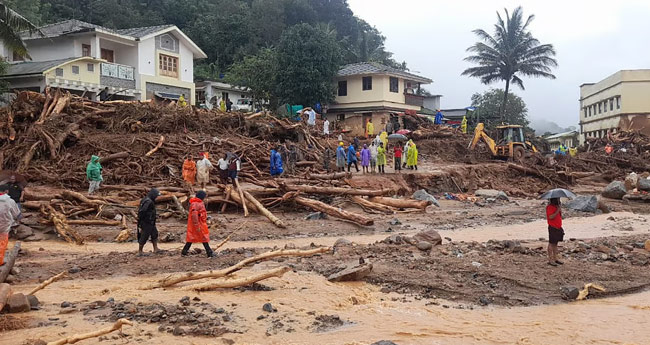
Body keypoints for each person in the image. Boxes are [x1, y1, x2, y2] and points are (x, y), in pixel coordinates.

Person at [182, 190, 215, 257]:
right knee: (203, 237)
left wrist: (205, 217)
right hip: (198, 223)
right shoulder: (196, 203)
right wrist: (197, 225)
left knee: (191, 238)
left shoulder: (196, 203)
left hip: (198, 223)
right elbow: (194, 215)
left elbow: (199, 214)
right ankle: (209, 252)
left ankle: (184, 252)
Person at [0, 187, 21, 266]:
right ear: (6, 191)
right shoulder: (10, 201)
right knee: (2, 242)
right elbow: (16, 214)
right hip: (4, 225)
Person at [137, 188, 160, 255]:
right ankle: (140, 251)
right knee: (144, 236)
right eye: (156, 196)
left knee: (154, 234)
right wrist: (143, 220)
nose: (156, 197)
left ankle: (155, 249)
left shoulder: (148, 200)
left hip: (151, 221)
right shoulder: (148, 201)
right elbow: (143, 211)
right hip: (146, 222)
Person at [546, 198, 565, 266]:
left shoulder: (556, 207)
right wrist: (557, 210)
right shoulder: (549, 207)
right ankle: (550, 259)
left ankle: (555, 258)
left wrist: (559, 210)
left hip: (558, 227)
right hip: (553, 227)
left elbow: (560, 216)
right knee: (551, 243)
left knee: (555, 243)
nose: (559, 201)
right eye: (557, 200)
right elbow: (551, 217)